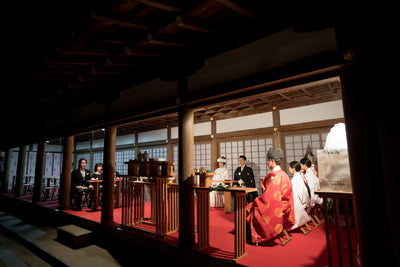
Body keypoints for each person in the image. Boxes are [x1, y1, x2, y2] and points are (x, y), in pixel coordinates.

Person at [246, 148, 295, 244]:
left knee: (248, 209)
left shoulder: (275, 177)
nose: (267, 163)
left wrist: (257, 200)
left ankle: (256, 236)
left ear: (272, 161)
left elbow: (269, 199)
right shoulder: (284, 174)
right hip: (285, 206)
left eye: (268, 161)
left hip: (277, 208)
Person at [288, 161, 311, 230]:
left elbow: (294, 194)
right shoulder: (299, 177)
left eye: (289, 167)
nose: (288, 169)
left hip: (299, 201)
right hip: (305, 199)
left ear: (293, 169)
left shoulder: (295, 180)